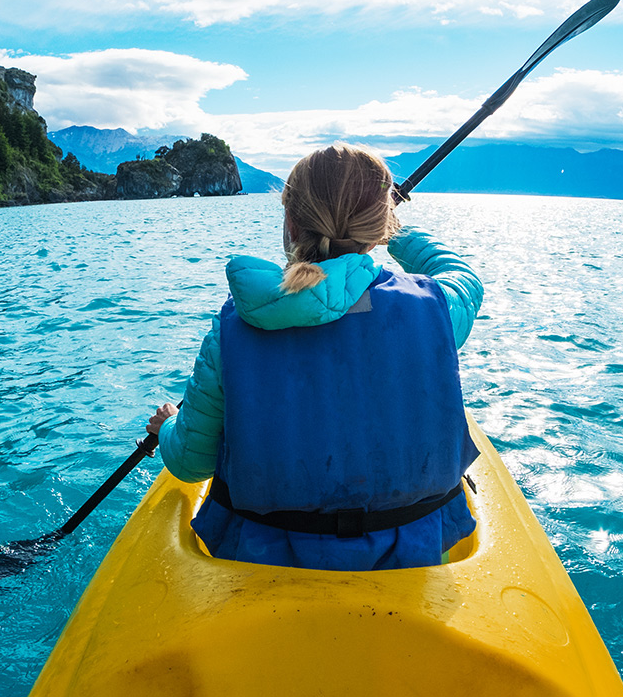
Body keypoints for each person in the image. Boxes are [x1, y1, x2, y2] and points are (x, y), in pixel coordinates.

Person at [146, 143, 485, 571]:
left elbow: (190, 462)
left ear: (290, 221)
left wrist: (167, 427)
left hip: (263, 559)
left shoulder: (234, 327)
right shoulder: (437, 309)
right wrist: (398, 230)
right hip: (412, 551)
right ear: (381, 225)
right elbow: (464, 279)